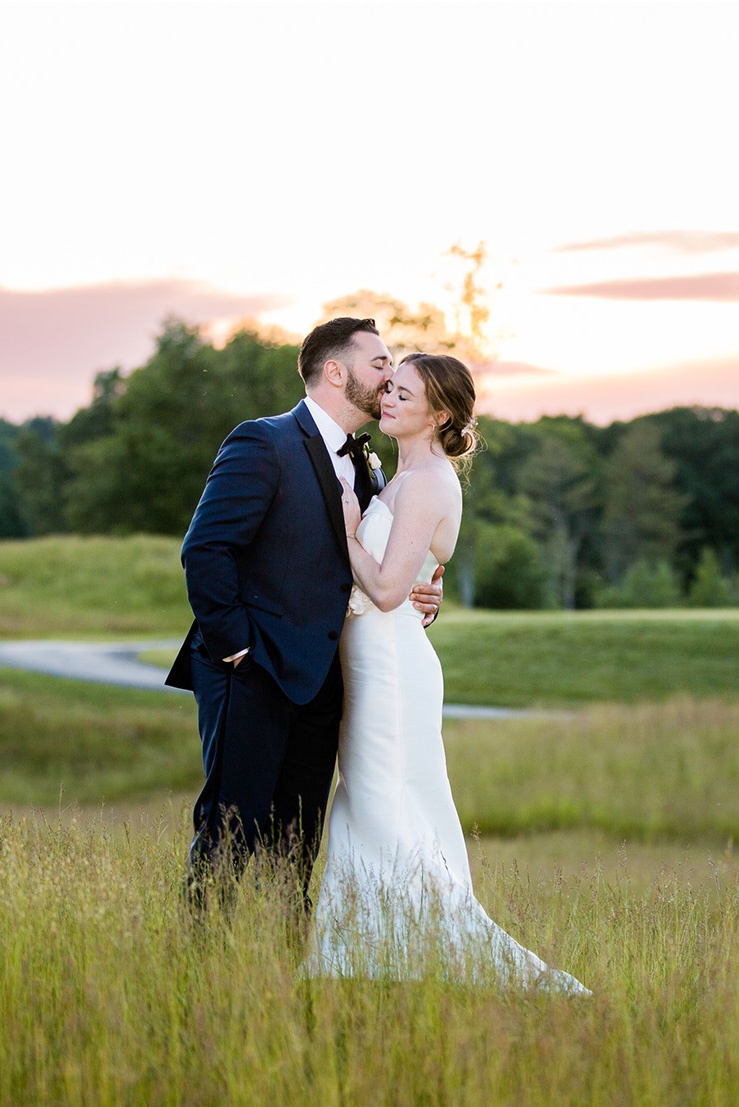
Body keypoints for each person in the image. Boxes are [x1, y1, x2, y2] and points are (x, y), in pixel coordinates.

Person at [305, 352, 590, 993]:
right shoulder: (393, 475)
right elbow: (405, 584)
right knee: (365, 808)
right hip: (371, 665)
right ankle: (358, 962)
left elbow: (382, 590)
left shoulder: (431, 480)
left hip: (393, 674)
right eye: (390, 389)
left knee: (384, 810)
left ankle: (457, 963)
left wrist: (347, 526)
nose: (388, 400)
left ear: (439, 414)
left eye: (405, 395)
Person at [165, 318, 443, 905]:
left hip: (324, 681)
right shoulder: (263, 441)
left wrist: (421, 590)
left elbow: (371, 566)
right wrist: (237, 650)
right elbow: (206, 550)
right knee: (229, 830)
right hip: (252, 669)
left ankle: (280, 969)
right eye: (379, 363)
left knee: (298, 843)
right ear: (335, 372)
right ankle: (195, 969)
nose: (390, 374)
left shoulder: (368, 467)